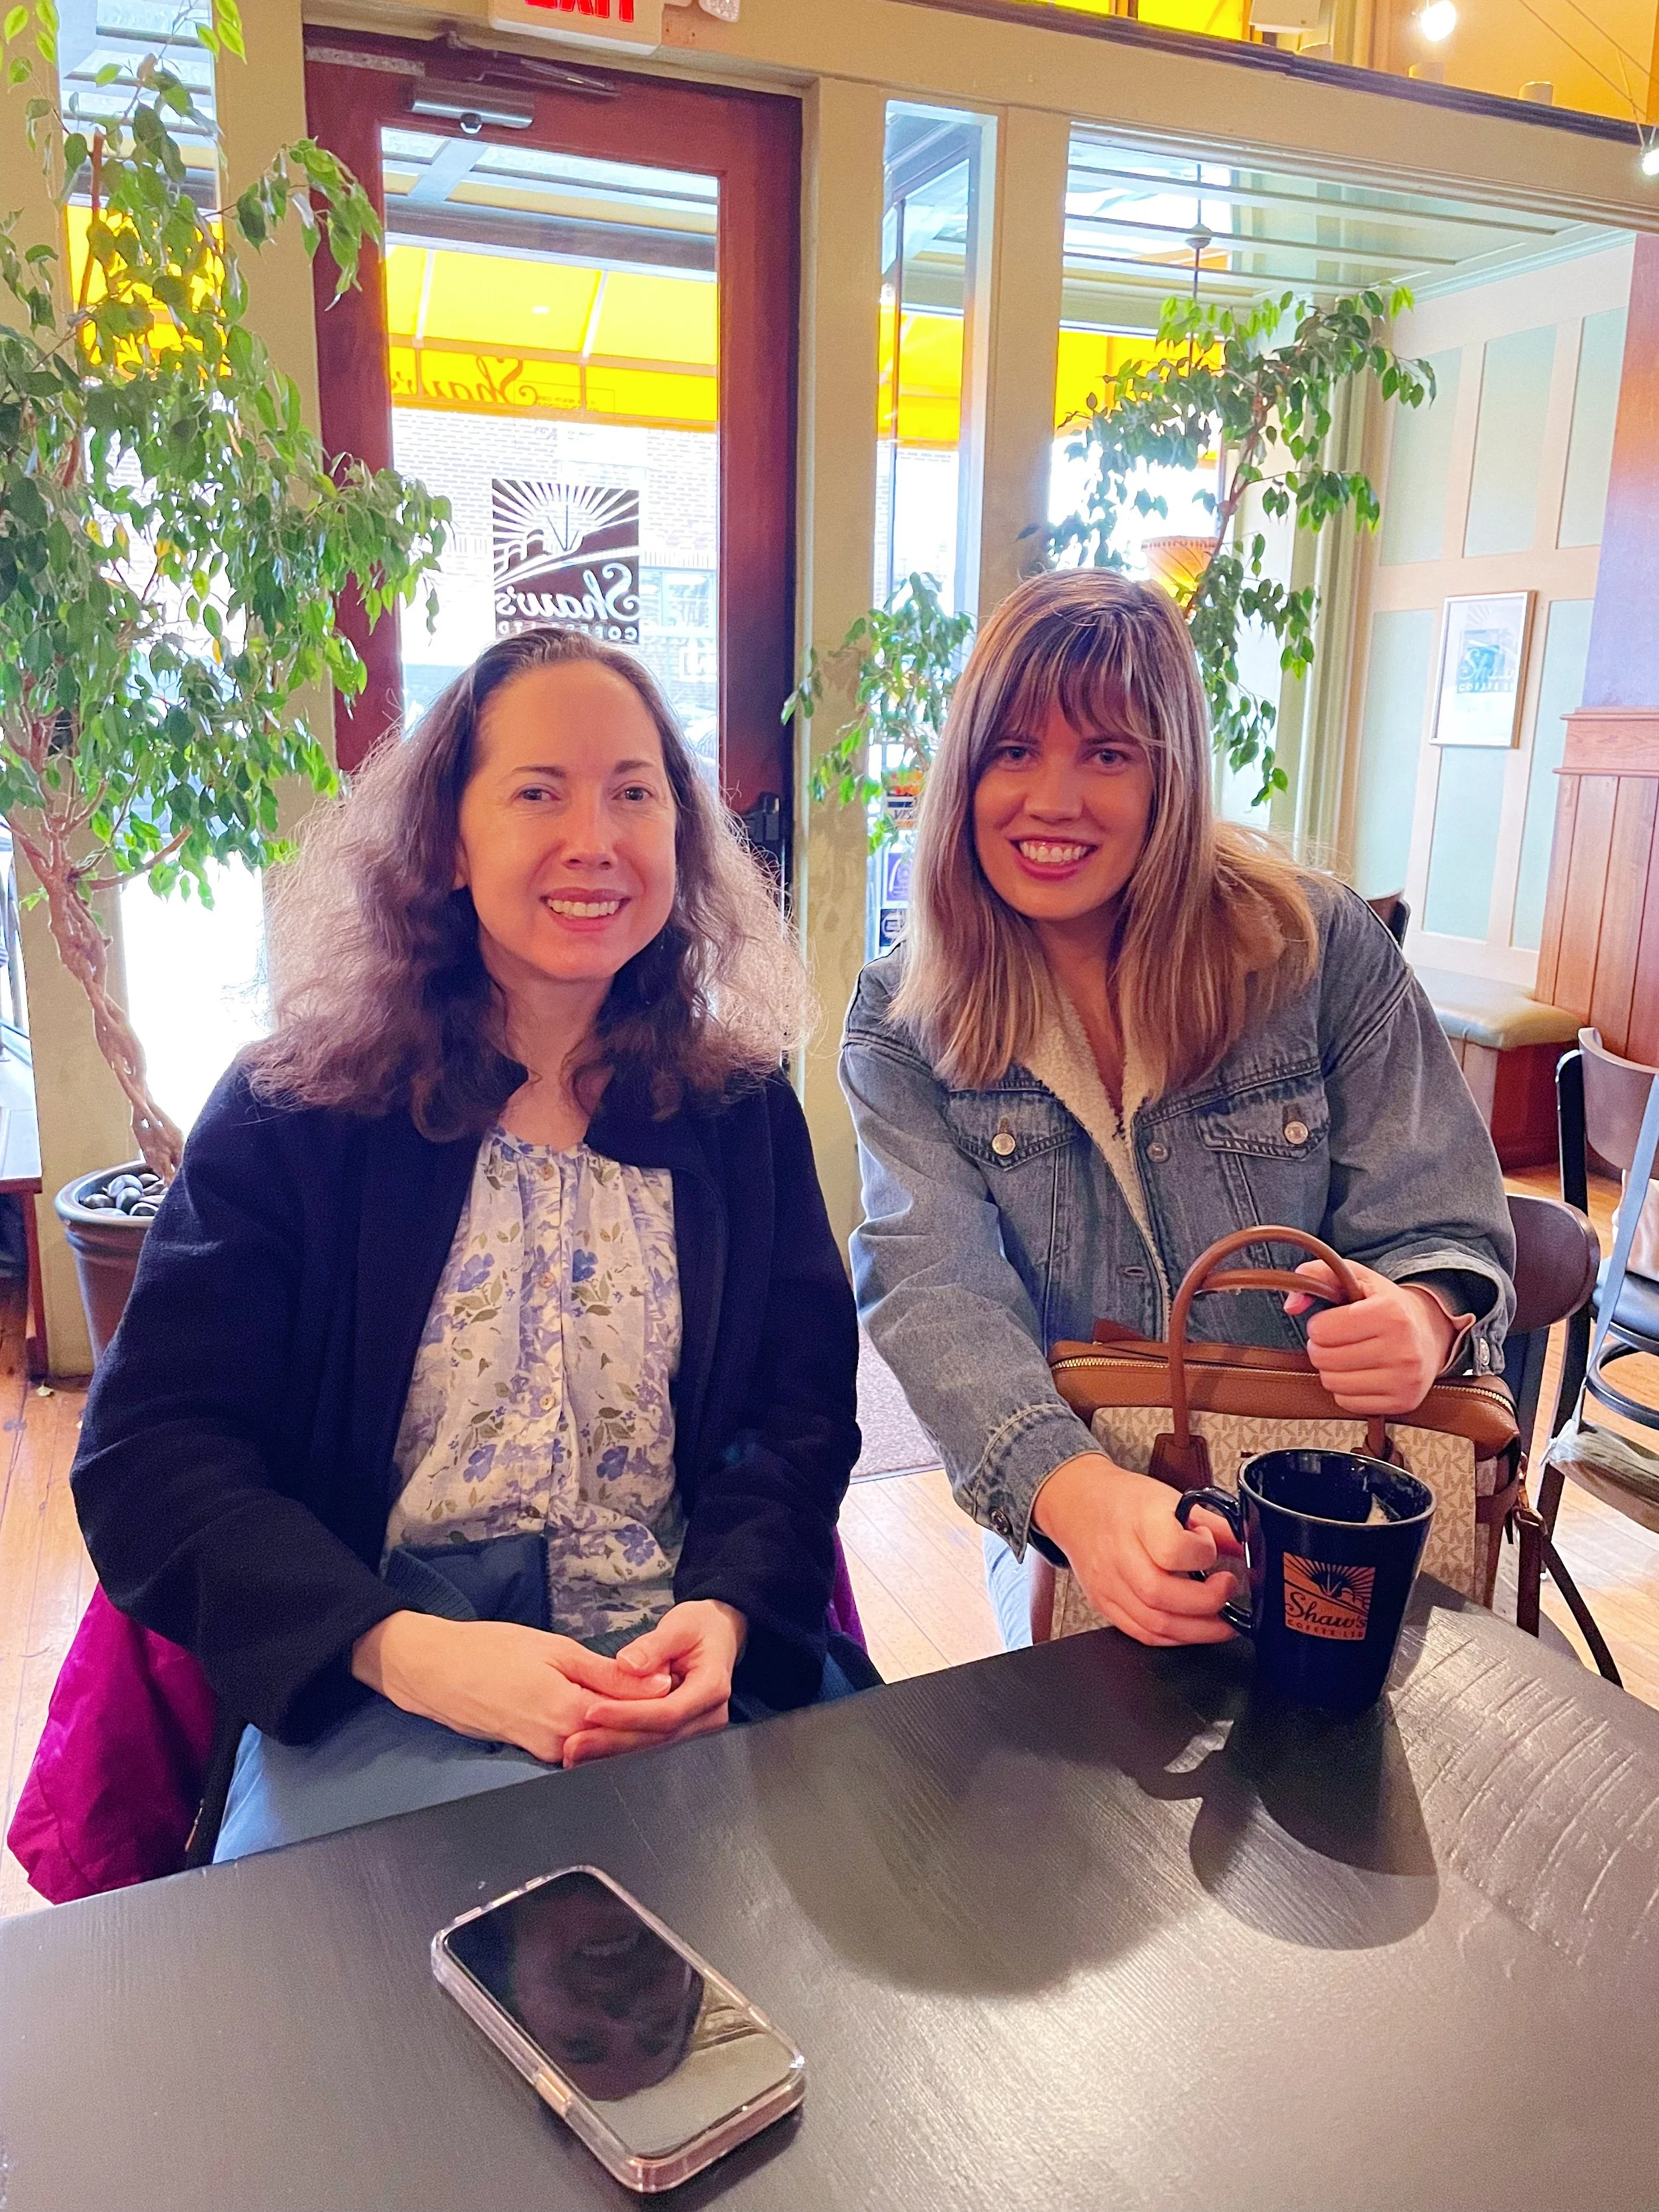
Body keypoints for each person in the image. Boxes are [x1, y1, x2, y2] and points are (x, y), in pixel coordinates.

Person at [72, 625, 863, 1859]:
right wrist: (408, 1652)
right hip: (388, 1676)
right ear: (447, 839)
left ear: (681, 838)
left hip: (683, 1673)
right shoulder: (300, 1113)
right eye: (537, 792)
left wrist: (728, 1612)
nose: (594, 840)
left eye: (635, 794)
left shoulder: (737, 1108)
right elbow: (152, 1456)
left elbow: (796, 1414)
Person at [839, 570, 1515, 1653]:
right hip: (1082, 1501)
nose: (1051, 801)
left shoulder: (1313, 945)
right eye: (1013, 751)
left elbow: (1448, 1216)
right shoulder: (902, 1018)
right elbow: (933, 1292)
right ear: (964, 771)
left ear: (1171, 777)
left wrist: (1426, 1314)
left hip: (1349, 1490)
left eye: (1106, 754)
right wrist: (1073, 1497)